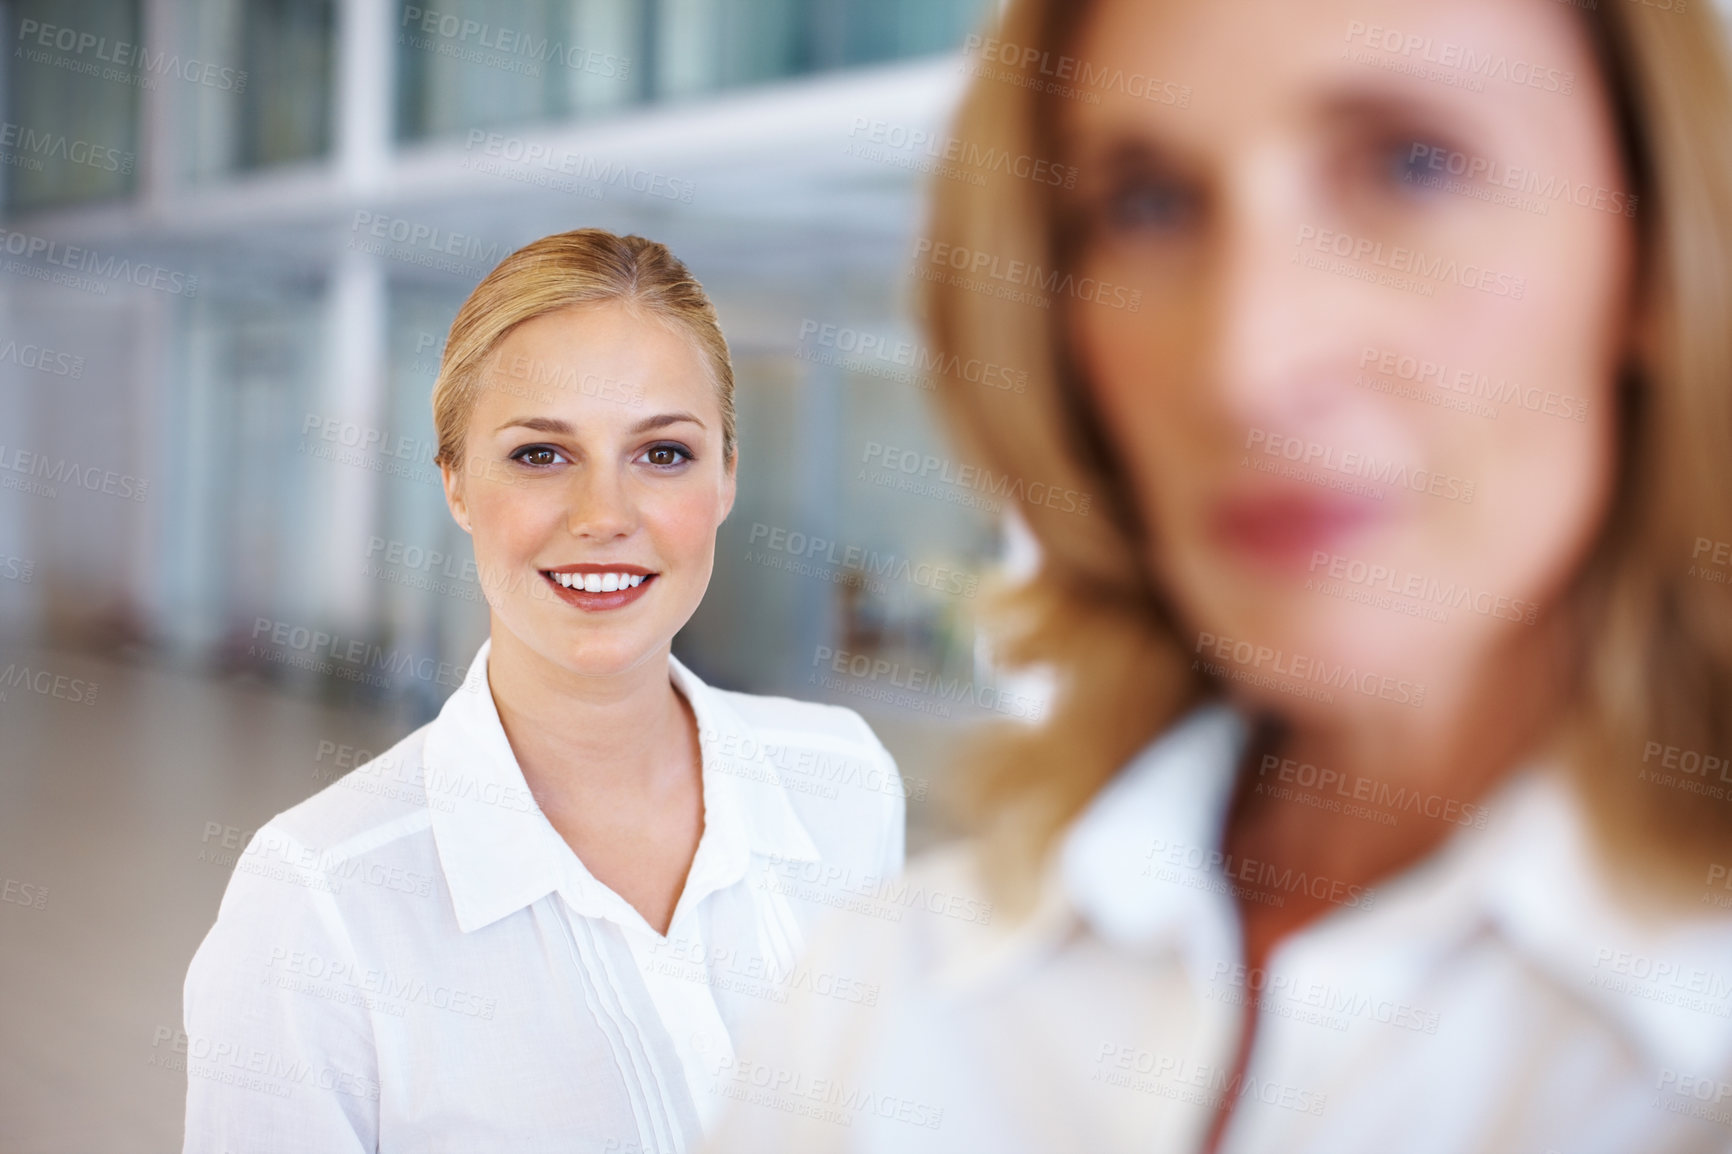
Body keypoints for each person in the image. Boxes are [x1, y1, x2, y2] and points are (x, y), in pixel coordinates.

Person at [704, 0, 1732, 1150]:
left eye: (1411, 164)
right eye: (1145, 206)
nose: (1249, 361)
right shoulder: (891, 995)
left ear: (1657, 244)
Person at [182, 229, 905, 1154]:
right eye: (539, 456)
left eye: (663, 454)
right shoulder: (320, 899)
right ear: (454, 482)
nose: (604, 516)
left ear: (727, 475)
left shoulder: (845, 782)